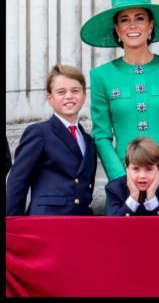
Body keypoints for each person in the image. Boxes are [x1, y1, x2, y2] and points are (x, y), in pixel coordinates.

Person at [81, 0, 159, 215]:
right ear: (117, 30)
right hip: (124, 187)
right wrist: (122, 179)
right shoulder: (102, 75)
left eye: (140, 18)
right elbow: (102, 135)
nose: (133, 25)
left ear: (151, 26)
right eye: (124, 20)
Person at [6, 65, 97, 215]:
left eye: (75, 91)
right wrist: (12, 225)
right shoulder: (39, 132)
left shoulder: (88, 141)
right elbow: (18, 181)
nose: (69, 96)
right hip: (46, 220)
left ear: (84, 96)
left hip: (81, 220)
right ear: (50, 98)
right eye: (61, 92)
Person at [105, 137, 159, 216]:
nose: (142, 176)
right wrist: (133, 196)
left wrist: (152, 198)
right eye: (136, 169)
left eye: (149, 169)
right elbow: (113, 225)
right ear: (127, 168)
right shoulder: (115, 189)